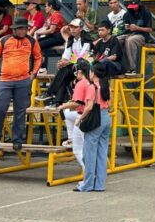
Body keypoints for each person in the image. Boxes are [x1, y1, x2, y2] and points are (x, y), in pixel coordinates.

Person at [0, 18, 42, 151]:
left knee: (20, 112)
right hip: (5, 80)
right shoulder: (4, 40)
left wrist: (33, 74)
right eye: (20, 28)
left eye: (24, 28)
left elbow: (39, 57)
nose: (23, 31)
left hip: (23, 80)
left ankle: (17, 140)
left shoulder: (32, 41)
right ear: (14, 29)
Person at [77, 60, 114, 193]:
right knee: (101, 153)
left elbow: (89, 107)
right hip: (105, 118)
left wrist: (80, 119)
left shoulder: (92, 87)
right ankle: (99, 184)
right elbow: (110, 105)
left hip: (95, 118)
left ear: (93, 73)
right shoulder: (106, 86)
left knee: (89, 154)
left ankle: (87, 185)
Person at [39, 19, 92, 105]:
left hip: (86, 67)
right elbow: (66, 55)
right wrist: (61, 62)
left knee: (65, 69)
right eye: (71, 27)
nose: (73, 29)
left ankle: (50, 93)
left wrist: (66, 63)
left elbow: (82, 57)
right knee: (64, 73)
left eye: (75, 27)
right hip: (74, 67)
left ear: (81, 28)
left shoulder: (86, 40)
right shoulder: (70, 40)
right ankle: (57, 101)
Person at [55, 59, 92, 170]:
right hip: (93, 115)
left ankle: (90, 174)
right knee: (88, 148)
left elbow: (77, 103)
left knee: (81, 149)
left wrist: (61, 106)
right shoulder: (92, 82)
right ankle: (93, 173)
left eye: (76, 72)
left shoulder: (81, 83)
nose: (75, 74)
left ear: (80, 72)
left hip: (83, 116)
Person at [120, 0, 153, 75]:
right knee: (117, 40)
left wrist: (137, 28)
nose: (134, 8)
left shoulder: (146, 12)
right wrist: (127, 27)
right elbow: (124, 27)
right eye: (132, 7)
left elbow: (149, 29)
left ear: (139, 4)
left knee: (130, 40)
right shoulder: (128, 13)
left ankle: (133, 68)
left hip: (142, 35)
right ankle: (121, 67)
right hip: (129, 33)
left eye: (135, 6)